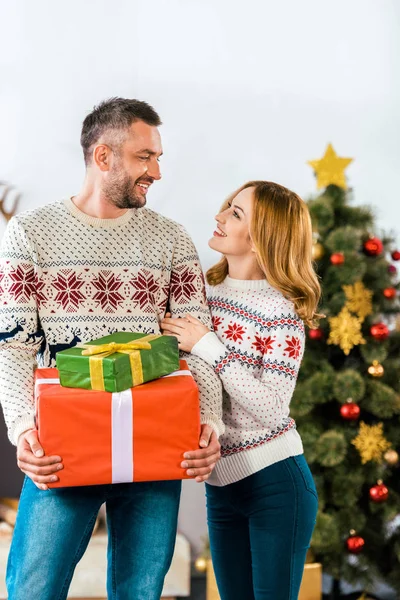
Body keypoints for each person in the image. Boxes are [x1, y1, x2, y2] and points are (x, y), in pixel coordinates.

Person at [0, 97, 224, 600]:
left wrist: (208, 422)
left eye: (158, 158)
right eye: (146, 157)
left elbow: (194, 341)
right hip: (62, 443)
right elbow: (13, 344)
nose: (158, 172)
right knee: (33, 588)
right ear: (104, 157)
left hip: (153, 441)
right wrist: (23, 430)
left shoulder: (172, 240)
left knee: (141, 590)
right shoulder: (29, 234)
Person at [162, 181, 321, 600]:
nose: (219, 216)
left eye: (235, 213)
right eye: (227, 207)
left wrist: (209, 346)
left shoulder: (282, 313)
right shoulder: (202, 300)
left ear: (262, 237)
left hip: (275, 484)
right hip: (221, 487)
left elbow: (271, 409)